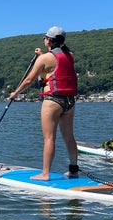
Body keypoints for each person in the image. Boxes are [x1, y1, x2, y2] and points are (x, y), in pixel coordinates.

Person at [8, 26, 79, 180]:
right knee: (69, 137)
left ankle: (45, 174)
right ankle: (74, 170)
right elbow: (53, 66)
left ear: (48, 40)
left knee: (49, 138)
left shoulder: (44, 59)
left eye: (45, 38)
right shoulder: (69, 55)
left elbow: (29, 80)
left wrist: (15, 93)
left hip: (53, 100)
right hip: (69, 101)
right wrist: (42, 55)